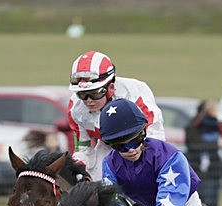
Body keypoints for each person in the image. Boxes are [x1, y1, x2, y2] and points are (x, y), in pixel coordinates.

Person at [67, 50, 165, 181]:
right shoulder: (76, 109)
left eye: (95, 93)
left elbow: (155, 135)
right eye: (82, 94)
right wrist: (77, 168)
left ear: (110, 88)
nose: (89, 100)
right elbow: (84, 151)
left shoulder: (134, 92)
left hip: (141, 146)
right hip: (108, 148)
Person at [186, 99, 222, 206]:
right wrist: (216, 144)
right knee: (202, 201)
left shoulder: (218, 126)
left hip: (214, 170)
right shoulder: (193, 126)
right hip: (198, 170)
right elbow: (194, 146)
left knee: (213, 202)